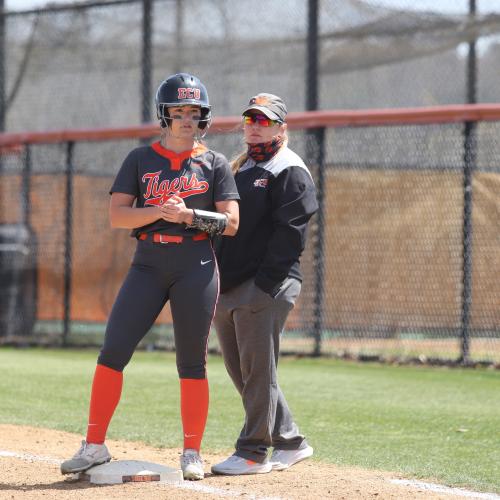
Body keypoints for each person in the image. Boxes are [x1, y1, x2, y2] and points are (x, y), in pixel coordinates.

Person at [60, 73, 239, 481]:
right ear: (164, 115)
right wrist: (161, 211)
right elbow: (118, 215)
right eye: (178, 111)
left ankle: (191, 450)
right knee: (114, 349)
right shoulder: (140, 159)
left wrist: (189, 216)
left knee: (192, 361)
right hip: (148, 262)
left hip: (196, 264)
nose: (187, 119)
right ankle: (94, 445)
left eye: (194, 112)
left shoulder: (214, 164)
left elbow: (231, 223)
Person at [211, 93, 318, 475]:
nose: (256, 125)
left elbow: (292, 234)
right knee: (243, 370)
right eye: (251, 118)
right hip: (231, 284)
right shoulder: (240, 168)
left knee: (257, 371)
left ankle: (253, 450)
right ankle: (290, 441)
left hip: (266, 284)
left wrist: (265, 285)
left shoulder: (288, 168)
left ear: (281, 127)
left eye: (265, 120)